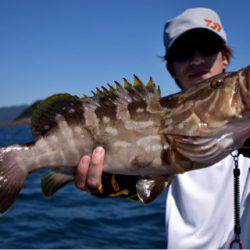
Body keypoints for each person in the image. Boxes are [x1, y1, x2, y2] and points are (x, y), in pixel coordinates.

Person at [75, 8, 250, 248]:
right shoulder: (166, 125)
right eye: (183, 52)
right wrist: (106, 181)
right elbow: (144, 185)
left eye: (207, 47)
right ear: (171, 68)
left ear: (225, 57)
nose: (196, 59)